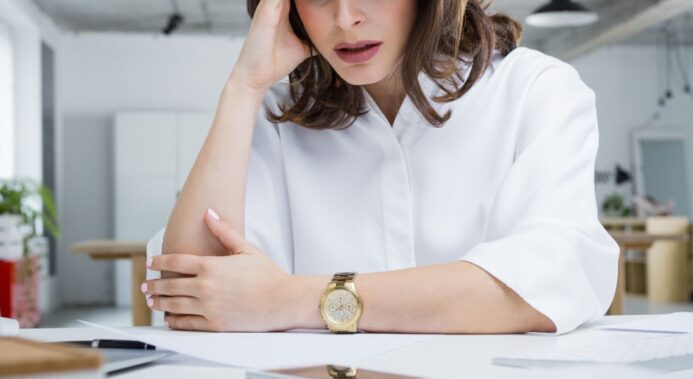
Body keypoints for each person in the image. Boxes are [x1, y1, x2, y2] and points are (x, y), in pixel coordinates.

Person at [142, 0, 619, 335]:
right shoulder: (277, 114)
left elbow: (544, 283)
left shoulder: (536, 90)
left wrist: (287, 299)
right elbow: (190, 295)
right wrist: (243, 86)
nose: (346, 18)